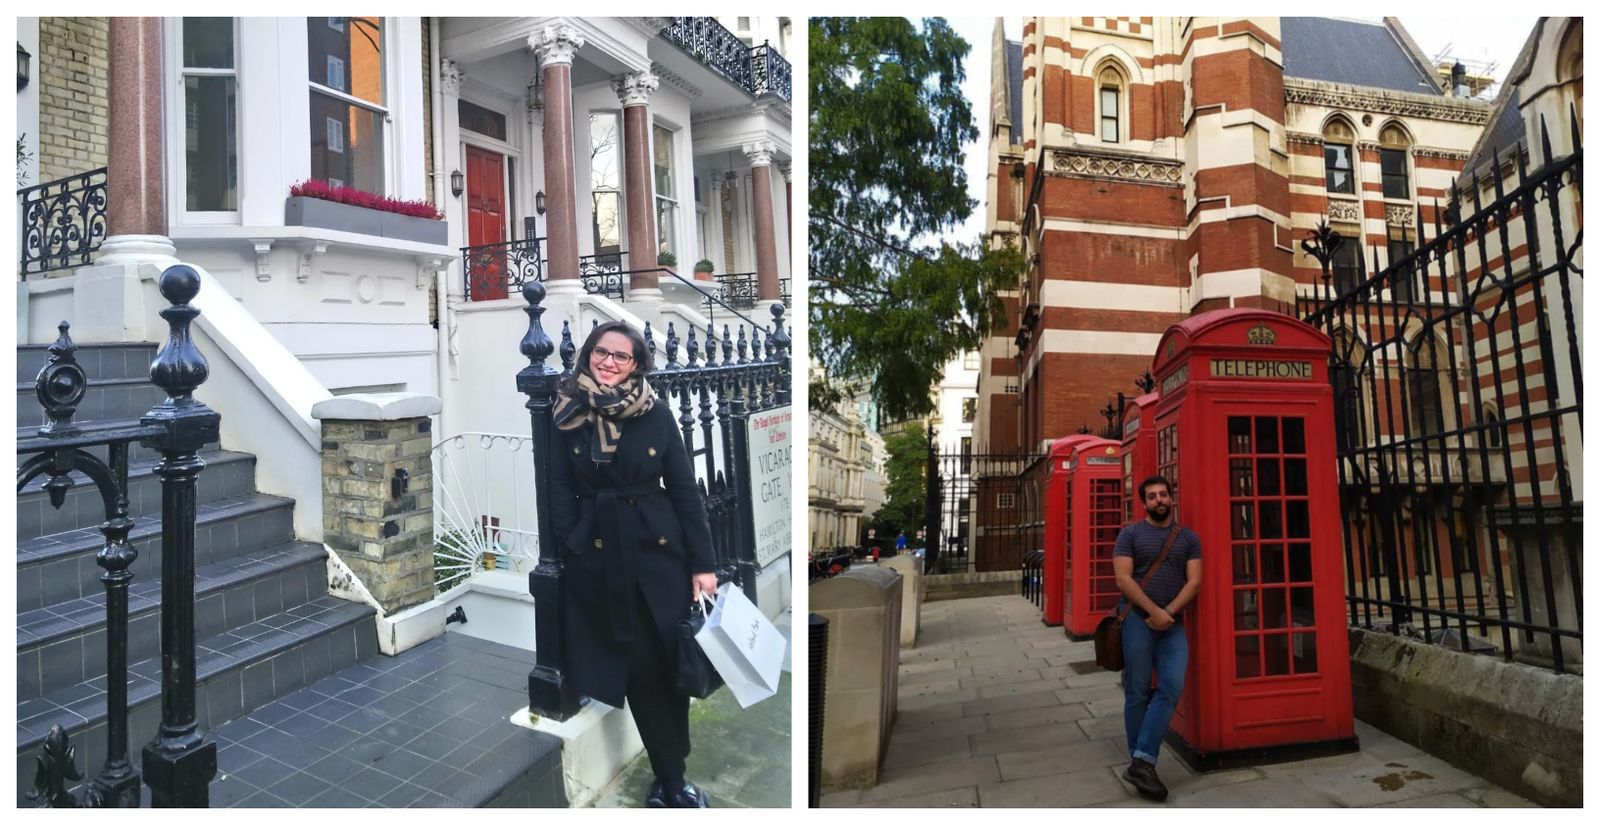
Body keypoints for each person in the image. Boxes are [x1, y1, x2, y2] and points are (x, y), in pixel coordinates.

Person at [549, 321, 717, 808]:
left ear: (636, 365)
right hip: (604, 558)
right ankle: (672, 782)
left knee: (675, 665)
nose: (608, 362)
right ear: (587, 355)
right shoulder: (566, 411)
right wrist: (571, 541)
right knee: (642, 672)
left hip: (661, 554)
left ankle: (674, 767)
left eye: (621, 356)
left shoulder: (656, 414)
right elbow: (560, 487)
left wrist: (702, 564)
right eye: (601, 352)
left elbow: (685, 491)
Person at [1112, 475, 1202, 802]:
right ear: (1144, 503)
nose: (1159, 500)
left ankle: (1141, 760)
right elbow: (1123, 579)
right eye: (1152, 496)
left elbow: (1194, 582)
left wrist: (1169, 612)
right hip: (1137, 620)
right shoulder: (1130, 534)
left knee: (1172, 686)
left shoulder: (1188, 538)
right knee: (1136, 691)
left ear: (1171, 498)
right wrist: (1153, 611)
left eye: (1164, 494)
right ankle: (1144, 763)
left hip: (1172, 624)